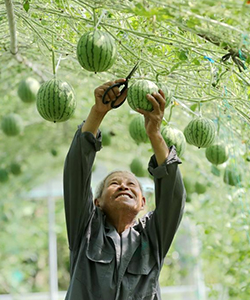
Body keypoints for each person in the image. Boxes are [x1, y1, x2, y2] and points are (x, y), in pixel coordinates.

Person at [63, 78, 186, 300]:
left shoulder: (152, 238)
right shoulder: (85, 231)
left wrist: (155, 133)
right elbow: (76, 171)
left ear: (142, 203)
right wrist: (98, 113)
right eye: (114, 183)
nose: (123, 186)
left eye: (132, 185)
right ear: (97, 202)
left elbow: (173, 197)